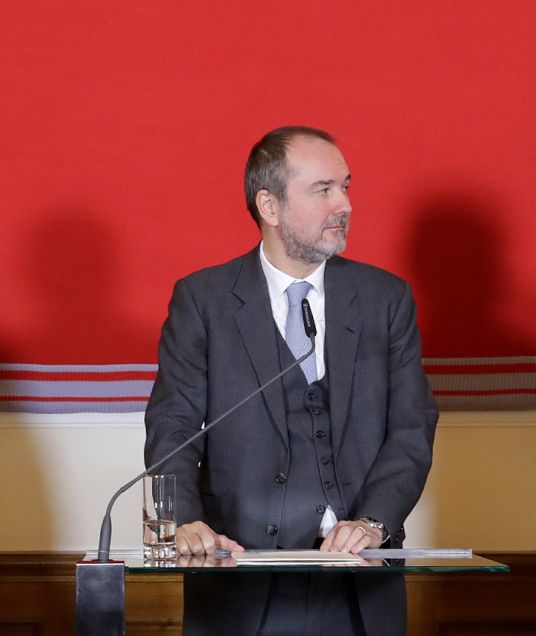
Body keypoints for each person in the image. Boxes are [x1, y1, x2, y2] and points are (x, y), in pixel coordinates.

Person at [144, 127, 438, 636]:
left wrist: (373, 522)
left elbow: (412, 427)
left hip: (359, 586)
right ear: (270, 206)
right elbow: (173, 424)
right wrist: (184, 522)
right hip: (238, 581)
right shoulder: (203, 300)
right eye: (323, 190)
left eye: (346, 186)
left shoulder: (384, 299)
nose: (343, 204)